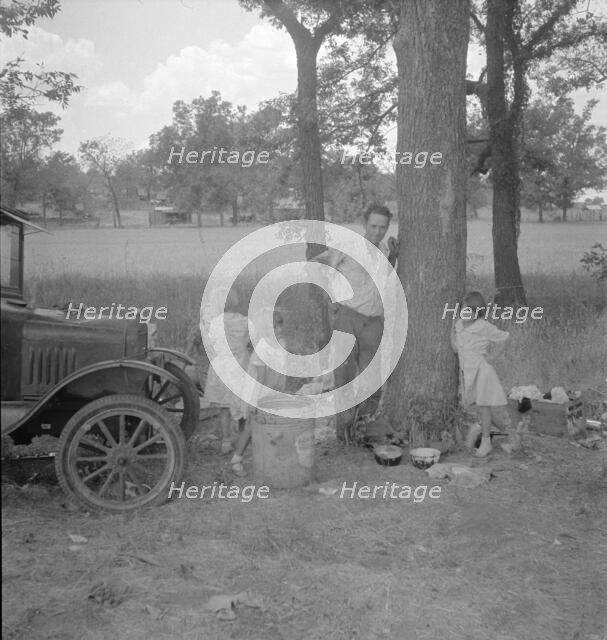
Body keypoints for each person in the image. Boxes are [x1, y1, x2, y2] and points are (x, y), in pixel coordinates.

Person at [310, 204, 399, 440]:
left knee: (372, 379)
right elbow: (316, 265)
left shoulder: (382, 250)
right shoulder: (347, 246)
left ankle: (364, 430)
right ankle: (345, 434)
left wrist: (392, 258)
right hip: (348, 319)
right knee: (345, 377)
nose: (378, 232)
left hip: (373, 323)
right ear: (364, 224)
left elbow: (383, 280)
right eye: (373, 226)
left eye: (383, 227)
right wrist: (330, 296)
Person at [451, 290, 511, 457]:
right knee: (479, 407)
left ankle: (486, 443)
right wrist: (452, 334)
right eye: (464, 309)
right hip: (468, 373)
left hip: (481, 371)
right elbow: (456, 347)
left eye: (470, 310)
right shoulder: (459, 324)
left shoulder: (483, 326)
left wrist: (492, 357)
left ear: (478, 312)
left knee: (483, 407)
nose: (466, 313)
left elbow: (505, 338)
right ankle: (508, 431)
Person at [229, 307, 288, 475]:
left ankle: (271, 459)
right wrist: (254, 403)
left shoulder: (282, 345)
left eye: (280, 326)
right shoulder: (262, 350)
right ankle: (237, 459)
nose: (279, 330)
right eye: (275, 327)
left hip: (273, 390)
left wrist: (281, 392)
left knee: (273, 425)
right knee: (251, 426)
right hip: (258, 392)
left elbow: (282, 371)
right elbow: (260, 380)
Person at [200, 286, 250, 454]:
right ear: (235, 302)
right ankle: (243, 437)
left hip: (222, 366)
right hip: (240, 366)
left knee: (224, 408)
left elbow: (211, 345)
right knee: (242, 405)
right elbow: (251, 340)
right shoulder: (244, 321)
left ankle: (226, 442)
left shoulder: (215, 324)